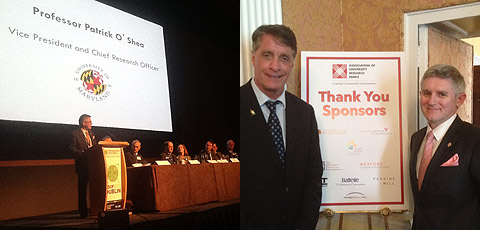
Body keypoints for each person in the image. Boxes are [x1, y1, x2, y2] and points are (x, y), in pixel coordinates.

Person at [240, 24, 323, 230]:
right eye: (267, 55)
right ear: (253, 57)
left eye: (284, 58)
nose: (275, 66)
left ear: (292, 63)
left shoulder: (305, 113)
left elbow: (312, 178)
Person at [409, 64, 480, 230]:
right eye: (426, 93)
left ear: (459, 99)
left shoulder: (474, 139)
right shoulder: (417, 138)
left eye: (442, 94)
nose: (432, 101)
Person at [69, 114, 97, 218]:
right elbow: (71, 148)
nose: (91, 123)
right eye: (89, 122)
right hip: (82, 166)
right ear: (83, 123)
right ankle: (83, 212)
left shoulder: (91, 133)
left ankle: (95, 209)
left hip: (93, 165)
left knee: (95, 188)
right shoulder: (75, 134)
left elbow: (94, 147)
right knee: (82, 189)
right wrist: (82, 152)